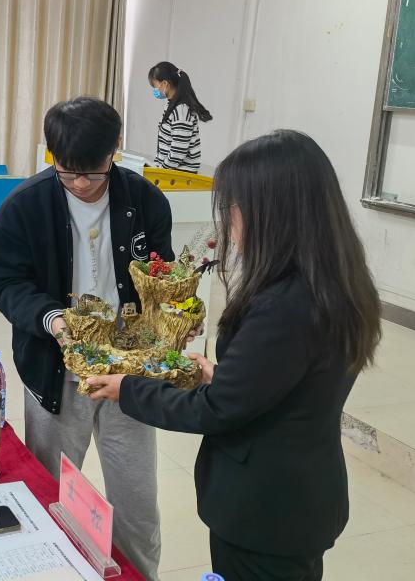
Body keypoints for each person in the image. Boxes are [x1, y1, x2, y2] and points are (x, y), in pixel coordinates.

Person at [87, 130, 381, 581]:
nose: (229, 221)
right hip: (301, 493)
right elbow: (292, 378)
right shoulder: (336, 281)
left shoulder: (285, 305)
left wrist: (129, 389)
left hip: (265, 508)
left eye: (234, 207)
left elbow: (216, 410)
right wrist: (226, 374)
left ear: (272, 212)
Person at [0, 97, 175, 581]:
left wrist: (173, 311)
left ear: (115, 149)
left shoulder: (145, 201)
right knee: (47, 491)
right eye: (69, 171)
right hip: (55, 369)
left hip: (128, 371)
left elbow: (163, 272)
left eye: (93, 171)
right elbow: (8, 283)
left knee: (136, 502)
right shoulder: (24, 207)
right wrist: (52, 320)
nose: (82, 184)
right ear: (52, 155)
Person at [148, 61, 212, 174]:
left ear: (165, 84)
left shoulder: (181, 111)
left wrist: (160, 171)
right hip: (169, 171)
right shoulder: (172, 105)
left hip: (178, 175)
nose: (155, 91)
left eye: (155, 86)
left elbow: (178, 152)